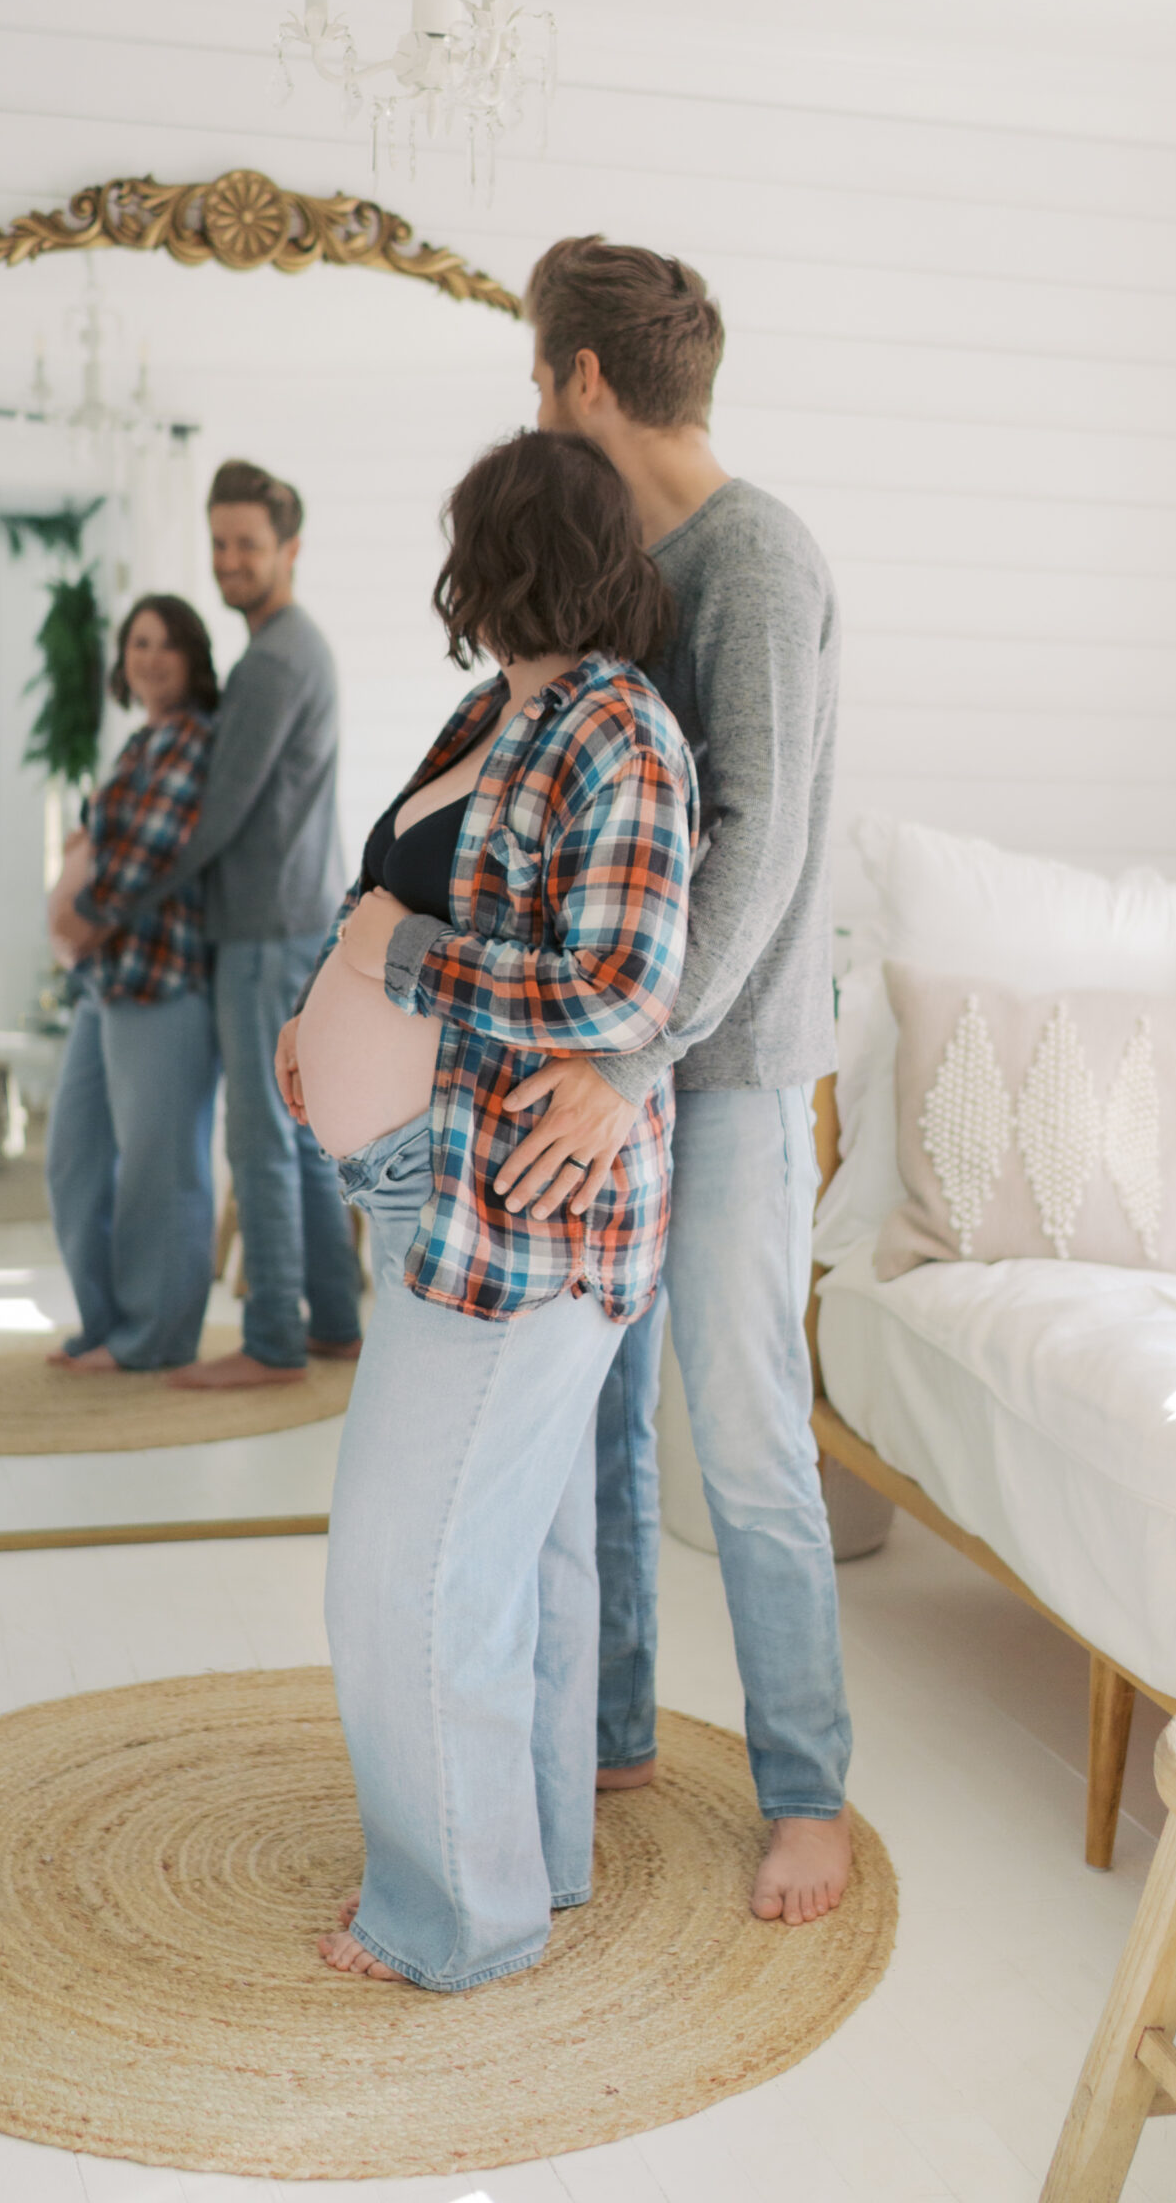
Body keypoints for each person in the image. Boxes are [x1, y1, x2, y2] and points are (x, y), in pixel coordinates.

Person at [278, 429, 696, 1992]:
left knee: (403, 1571)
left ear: (500, 555)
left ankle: (454, 1918)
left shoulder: (620, 734)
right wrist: (330, 978)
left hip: (525, 1223)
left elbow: (615, 989)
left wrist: (386, 962)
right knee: (514, 1558)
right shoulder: (493, 709)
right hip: (435, 1192)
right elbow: (393, 883)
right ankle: (535, 1865)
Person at [491, 236, 855, 1928]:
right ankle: (616, 1725)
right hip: (632, 1078)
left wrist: (632, 1059)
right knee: (608, 1418)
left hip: (724, 1082)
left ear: (580, 379)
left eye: (532, 373)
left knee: (748, 1440)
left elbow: (758, 848)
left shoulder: (754, 560)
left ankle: (807, 1796)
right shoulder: (636, 555)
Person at [67, 460, 363, 1388]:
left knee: (259, 1138)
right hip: (291, 919)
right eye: (220, 543)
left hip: (263, 926)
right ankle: (336, 1321)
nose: (231, 559)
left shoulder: (275, 659)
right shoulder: (285, 649)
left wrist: (106, 909)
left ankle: (274, 1341)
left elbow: (214, 819)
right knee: (296, 1129)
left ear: (290, 550)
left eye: (248, 544)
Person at [43, 595, 221, 1373]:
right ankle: (107, 1322)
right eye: (138, 643)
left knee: (161, 1168)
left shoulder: (192, 741)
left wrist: (84, 916)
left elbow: (150, 852)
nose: (150, 657)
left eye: (167, 645)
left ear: (193, 658)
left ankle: (155, 1339)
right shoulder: (141, 742)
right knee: (74, 1154)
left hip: (162, 981)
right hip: (107, 981)